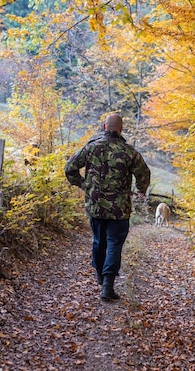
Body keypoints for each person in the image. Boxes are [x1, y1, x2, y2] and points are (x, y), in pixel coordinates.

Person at [65, 114, 150, 301]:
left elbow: (70, 167)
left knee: (98, 241)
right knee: (114, 244)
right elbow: (144, 173)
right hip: (119, 210)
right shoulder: (129, 151)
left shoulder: (91, 147)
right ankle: (108, 286)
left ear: (104, 126)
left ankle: (100, 277)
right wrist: (141, 190)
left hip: (95, 206)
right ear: (121, 128)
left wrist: (83, 184)